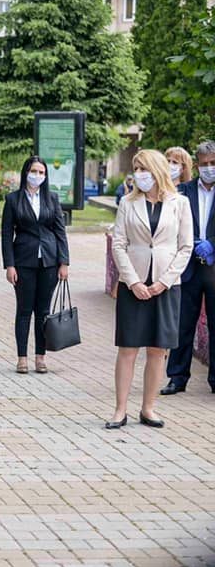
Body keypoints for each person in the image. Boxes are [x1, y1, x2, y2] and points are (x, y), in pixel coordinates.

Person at [107, 149, 192, 429]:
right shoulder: (127, 203)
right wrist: (132, 281)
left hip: (166, 286)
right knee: (128, 348)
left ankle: (148, 408)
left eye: (144, 168)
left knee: (158, 350)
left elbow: (185, 247)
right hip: (133, 284)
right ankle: (120, 410)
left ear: (156, 170)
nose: (139, 174)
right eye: (136, 168)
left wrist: (163, 282)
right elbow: (119, 244)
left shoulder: (179, 203)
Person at [0, 157, 70, 374]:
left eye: (41, 172)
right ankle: (22, 357)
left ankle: (41, 356)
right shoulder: (13, 199)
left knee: (43, 311)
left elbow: (60, 231)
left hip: (49, 261)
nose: (37, 175)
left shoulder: (51, 198)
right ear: (25, 173)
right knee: (24, 310)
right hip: (23, 261)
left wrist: (64, 262)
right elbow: (5, 234)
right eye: (33, 171)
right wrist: (9, 265)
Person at [163, 141, 215, 395]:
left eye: (213, 164)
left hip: (213, 268)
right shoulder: (183, 191)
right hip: (188, 267)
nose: (209, 168)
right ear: (197, 164)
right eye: (204, 164)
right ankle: (177, 377)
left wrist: (212, 244)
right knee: (182, 324)